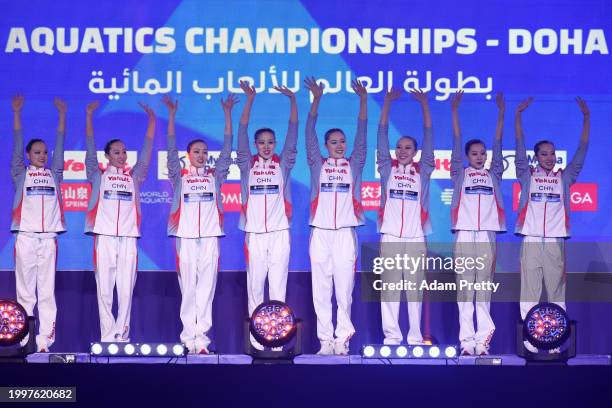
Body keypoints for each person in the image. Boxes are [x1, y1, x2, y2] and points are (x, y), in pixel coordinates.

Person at [515, 96, 590, 353]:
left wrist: (587, 118)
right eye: (543, 154)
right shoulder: (527, 175)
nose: (549, 157)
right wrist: (517, 116)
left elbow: (581, 153)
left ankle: (556, 338)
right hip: (531, 240)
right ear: (535, 157)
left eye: (552, 154)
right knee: (529, 292)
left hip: (556, 241)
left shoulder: (565, 177)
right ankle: (532, 339)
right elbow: (518, 144)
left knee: (557, 293)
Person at [164, 94, 236, 354]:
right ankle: (187, 339)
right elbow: (170, 149)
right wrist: (171, 116)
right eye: (197, 152)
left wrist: (227, 114)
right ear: (188, 155)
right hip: (184, 237)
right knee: (189, 290)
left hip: (209, 238)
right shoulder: (179, 176)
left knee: (206, 289)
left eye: (205, 152)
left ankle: (202, 340)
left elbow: (227, 151)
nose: (202, 156)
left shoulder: (216, 177)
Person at [304, 77, 367, 355]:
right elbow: (308, 134)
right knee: (321, 289)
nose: (339, 145)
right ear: (326, 145)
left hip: (345, 233)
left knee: (344, 290)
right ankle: (325, 341)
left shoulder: (355, 163)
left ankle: (343, 339)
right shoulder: (317, 164)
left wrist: (364, 101)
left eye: (342, 142)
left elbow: (363, 134)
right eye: (334, 142)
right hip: (319, 232)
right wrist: (316, 101)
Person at [84, 100, 155, 342]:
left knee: (126, 290)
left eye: (124, 151)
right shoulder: (97, 175)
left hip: (128, 238)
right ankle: (107, 337)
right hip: (103, 237)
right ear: (107, 155)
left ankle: (122, 336)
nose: (122, 155)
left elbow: (145, 155)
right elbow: (89, 148)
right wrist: (89, 117)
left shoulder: (134, 176)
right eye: (116, 152)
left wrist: (152, 123)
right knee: (104, 290)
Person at [236, 81, 298, 350]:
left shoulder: (283, 163)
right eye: (261, 142)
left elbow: (294, 133)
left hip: (279, 232)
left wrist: (293, 101)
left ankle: (277, 338)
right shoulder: (246, 163)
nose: (266, 146)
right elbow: (240, 131)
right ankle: (256, 340)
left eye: (270, 142)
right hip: (254, 234)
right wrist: (249, 101)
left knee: (278, 288)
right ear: (254, 144)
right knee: (254, 287)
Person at [450, 91, 506, 356]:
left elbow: (499, 141)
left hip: (486, 237)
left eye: (483, 153)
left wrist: (502, 113)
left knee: (482, 290)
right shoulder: (458, 174)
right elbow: (455, 140)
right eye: (475, 154)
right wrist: (454, 111)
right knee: (465, 291)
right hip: (464, 235)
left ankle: (483, 341)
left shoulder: (494, 174)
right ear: (467, 156)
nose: (480, 157)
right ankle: (466, 342)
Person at [377, 88, 433, 346]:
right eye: (399, 147)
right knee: (389, 288)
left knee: (414, 290)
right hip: (389, 235)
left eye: (408, 148)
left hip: (415, 236)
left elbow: (430, 137)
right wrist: (386, 104)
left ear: (416, 151)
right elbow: (381, 136)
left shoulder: (423, 170)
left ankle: (414, 336)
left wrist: (424, 106)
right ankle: (392, 336)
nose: (402, 151)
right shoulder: (387, 168)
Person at [11, 95, 66, 352]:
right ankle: (23, 338)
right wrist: (17, 114)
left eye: (45, 152)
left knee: (46, 293)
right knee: (25, 293)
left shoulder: (55, 174)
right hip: (25, 237)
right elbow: (16, 145)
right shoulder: (20, 173)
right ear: (28, 155)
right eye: (37, 152)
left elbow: (61, 145)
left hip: (48, 240)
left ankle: (45, 341)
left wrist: (62, 117)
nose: (42, 156)